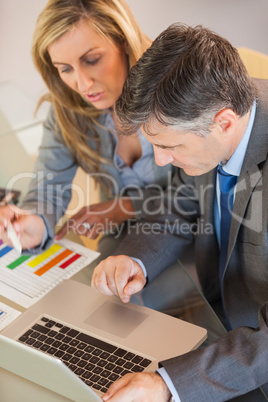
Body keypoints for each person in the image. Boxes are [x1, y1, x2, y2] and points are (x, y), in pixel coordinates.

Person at [91, 23, 268, 401]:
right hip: (213, 322)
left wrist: (168, 386)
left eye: (170, 146)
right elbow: (179, 202)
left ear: (223, 122)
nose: (160, 159)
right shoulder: (211, 108)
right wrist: (135, 258)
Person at [0, 0, 171, 255]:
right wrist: (34, 221)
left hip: (198, 237)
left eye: (92, 60)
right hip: (125, 237)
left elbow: (200, 192)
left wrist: (123, 207)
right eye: (65, 69)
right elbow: (49, 184)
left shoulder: (177, 88)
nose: (82, 84)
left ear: (123, 39)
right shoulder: (66, 111)